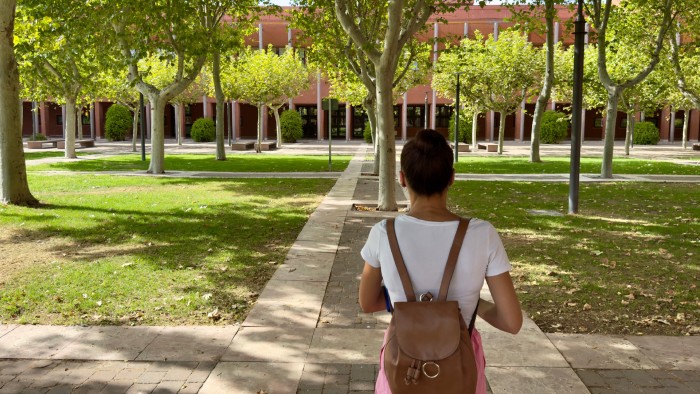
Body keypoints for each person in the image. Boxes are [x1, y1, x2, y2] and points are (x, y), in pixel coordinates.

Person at [359, 128, 522, 394]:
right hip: (459, 367)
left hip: (403, 365)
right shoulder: (483, 234)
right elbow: (511, 322)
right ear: (452, 178)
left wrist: (401, 300)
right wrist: (471, 302)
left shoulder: (383, 234)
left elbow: (367, 303)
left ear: (402, 178)